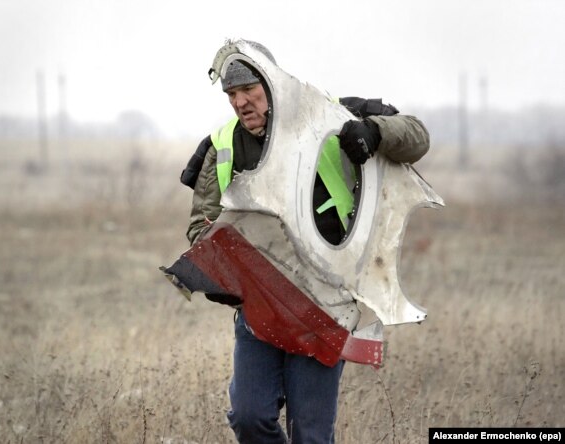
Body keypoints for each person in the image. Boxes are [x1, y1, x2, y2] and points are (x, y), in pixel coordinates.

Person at [180, 41, 430, 443]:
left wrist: (373, 132)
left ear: (273, 84)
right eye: (232, 95)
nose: (241, 103)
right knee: (249, 417)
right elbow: (199, 228)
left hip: (325, 304)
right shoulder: (220, 146)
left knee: (310, 434)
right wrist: (221, 273)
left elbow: (417, 136)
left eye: (250, 91)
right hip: (260, 305)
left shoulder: (331, 114)